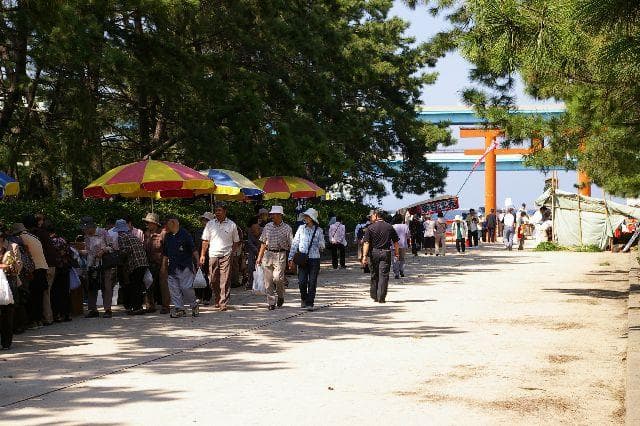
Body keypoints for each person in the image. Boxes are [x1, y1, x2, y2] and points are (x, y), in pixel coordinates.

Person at [200, 202, 240, 311]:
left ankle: (223, 302)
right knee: (213, 279)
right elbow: (205, 240)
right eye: (216, 210)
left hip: (226, 254)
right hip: (213, 254)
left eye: (219, 210)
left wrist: (232, 252)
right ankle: (217, 297)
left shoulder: (232, 225)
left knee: (225, 279)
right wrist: (202, 255)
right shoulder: (210, 224)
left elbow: (236, 241)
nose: (217, 212)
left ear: (225, 211)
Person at [12, 222, 48, 328]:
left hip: (33, 269)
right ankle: (39, 320)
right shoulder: (34, 237)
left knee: (32, 296)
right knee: (39, 296)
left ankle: (33, 321)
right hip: (43, 267)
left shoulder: (20, 238)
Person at [256, 205, 292, 310]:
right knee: (268, 280)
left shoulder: (287, 228)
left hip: (280, 254)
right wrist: (259, 257)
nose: (272, 216)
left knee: (277, 278)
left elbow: (291, 244)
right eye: (272, 214)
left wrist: (291, 259)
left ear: (280, 215)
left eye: (275, 214)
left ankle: (280, 295)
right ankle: (271, 302)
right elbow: (263, 242)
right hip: (268, 254)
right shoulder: (267, 227)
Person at [288, 208, 325, 311]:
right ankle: (304, 298)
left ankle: (310, 302)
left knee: (312, 282)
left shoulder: (319, 230)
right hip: (302, 258)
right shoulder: (301, 228)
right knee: (302, 281)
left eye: (307, 216)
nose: (305, 218)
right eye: (305, 216)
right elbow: (295, 243)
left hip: (314, 259)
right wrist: (290, 258)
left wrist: (320, 244)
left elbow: (322, 245)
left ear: (312, 218)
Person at [162, 217, 199, 318]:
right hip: (172, 267)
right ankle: (179, 309)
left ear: (173, 223)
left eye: (167, 224)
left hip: (185, 265)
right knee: (174, 289)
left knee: (186, 288)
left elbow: (193, 249)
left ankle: (194, 305)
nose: (165, 226)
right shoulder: (167, 236)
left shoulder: (185, 234)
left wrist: (198, 261)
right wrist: (163, 266)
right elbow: (165, 253)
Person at [25, 214, 57, 326]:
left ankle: (47, 318)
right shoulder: (44, 234)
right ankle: (47, 317)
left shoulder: (35, 234)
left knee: (44, 293)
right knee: (46, 292)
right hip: (50, 265)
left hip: (45, 265)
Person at [81, 217, 116, 318]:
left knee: (106, 285)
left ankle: (108, 309)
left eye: (85, 228)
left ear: (91, 227)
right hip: (92, 264)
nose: (84, 230)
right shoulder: (86, 236)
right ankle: (93, 310)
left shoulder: (103, 232)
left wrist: (103, 251)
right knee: (92, 286)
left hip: (104, 263)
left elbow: (112, 246)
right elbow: (88, 251)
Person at [361, 210, 399, 303]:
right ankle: (381, 297)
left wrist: (364, 256)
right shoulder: (389, 227)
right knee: (384, 275)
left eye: (372, 215)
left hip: (374, 253)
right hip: (386, 252)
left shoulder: (370, 228)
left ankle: (374, 295)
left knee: (374, 274)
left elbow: (366, 243)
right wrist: (397, 253)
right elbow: (396, 242)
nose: (371, 217)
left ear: (376, 215)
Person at [115, 219, 148, 315]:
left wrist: (118, 257)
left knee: (134, 286)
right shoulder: (132, 236)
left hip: (135, 263)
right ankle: (138, 306)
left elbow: (126, 250)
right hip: (143, 262)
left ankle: (137, 308)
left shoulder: (121, 237)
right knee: (139, 285)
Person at [142, 212, 169, 314]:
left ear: (155, 223)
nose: (147, 224)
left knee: (163, 284)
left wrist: (164, 265)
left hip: (162, 262)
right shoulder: (146, 234)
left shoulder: (163, 233)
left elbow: (167, 250)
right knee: (148, 283)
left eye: (149, 222)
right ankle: (150, 305)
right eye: (147, 222)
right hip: (149, 262)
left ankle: (165, 306)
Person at [46, 221, 73, 323]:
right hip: (65, 268)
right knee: (65, 291)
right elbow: (69, 253)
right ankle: (66, 314)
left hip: (56, 268)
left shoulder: (49, 241)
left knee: (55, 292)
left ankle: (57, 314)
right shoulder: (62, 240)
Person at [0, 224, 21, 350]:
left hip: (8, 283)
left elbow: (18, 267)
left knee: (7, 313)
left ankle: (6, 342)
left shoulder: (12, 247)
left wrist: (11, 266)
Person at [194, 212, 214, 302]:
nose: (205, 222)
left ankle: (207, 296)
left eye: (207, 220)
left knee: (208, 276)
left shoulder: (215, 232)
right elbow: (195, 245)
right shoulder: (197, 231)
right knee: (198, 275)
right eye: (204, 220)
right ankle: (198, 296)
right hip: (199, 256)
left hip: (211, 256)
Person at [245, 216, 261, 290]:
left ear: (259, 230)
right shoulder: (250, 232)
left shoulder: (263, 232)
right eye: (252, 231)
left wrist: (260, 251)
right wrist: (256, 250)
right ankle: (250, 283)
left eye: (255, 231)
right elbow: (249, 242)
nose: (253, 233)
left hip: (262, 250)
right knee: (250, 266)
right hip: (252, 250)